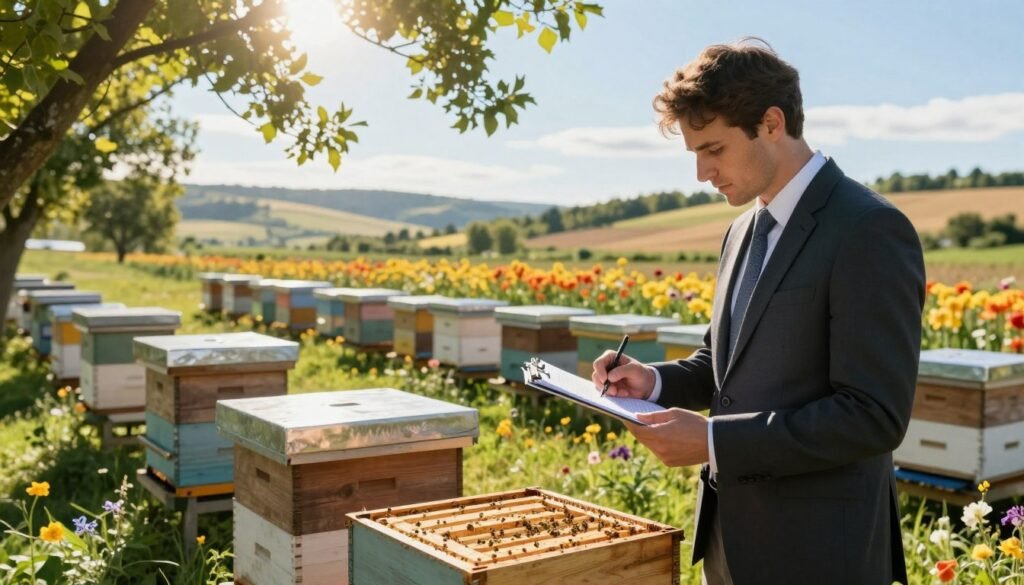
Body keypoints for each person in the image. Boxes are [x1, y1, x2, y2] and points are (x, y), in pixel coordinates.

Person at [592, 38, 925, 584]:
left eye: (714, 149)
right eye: (694, 153)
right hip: (729, 545)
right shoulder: (742, 230)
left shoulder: (869, 230)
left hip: (821, 555)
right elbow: (724, 365)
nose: (701, 172)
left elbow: (873, 415)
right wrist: (649, 381)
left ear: (772, 123)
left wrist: (713, 441)